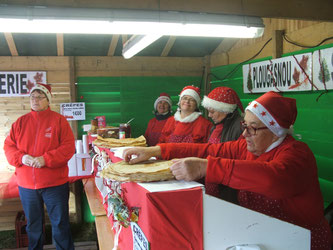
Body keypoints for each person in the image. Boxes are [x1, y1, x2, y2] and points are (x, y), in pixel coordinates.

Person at [124, 91, 332, 250]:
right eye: (244, 125)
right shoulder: (246, 146)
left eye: (253, 128)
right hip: (262, 234)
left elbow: (273, 180)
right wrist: (157, 150)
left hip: (300, 241)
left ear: (275, 130)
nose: (245, 134)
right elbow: (207, 149)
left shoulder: (297, 154)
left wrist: (206, 168)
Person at [4, 83, 75, 250]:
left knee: (60, 223)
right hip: (27, 186)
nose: (35, 100)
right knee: (33, 225)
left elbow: (68, 147)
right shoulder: (20, 123)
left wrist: (46, 159)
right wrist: (21, 157)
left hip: (55, 184)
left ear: (48, 100)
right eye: (32, 97)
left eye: (40, 97)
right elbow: (8, 147)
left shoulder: (59, 121)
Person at [201, 86, 244, 202]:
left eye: (212, 111)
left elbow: (239, 160)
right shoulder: (215, 127)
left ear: (225, 110)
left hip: (227, 188)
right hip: (212, 181)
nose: (209, 115)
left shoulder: (239, 127)